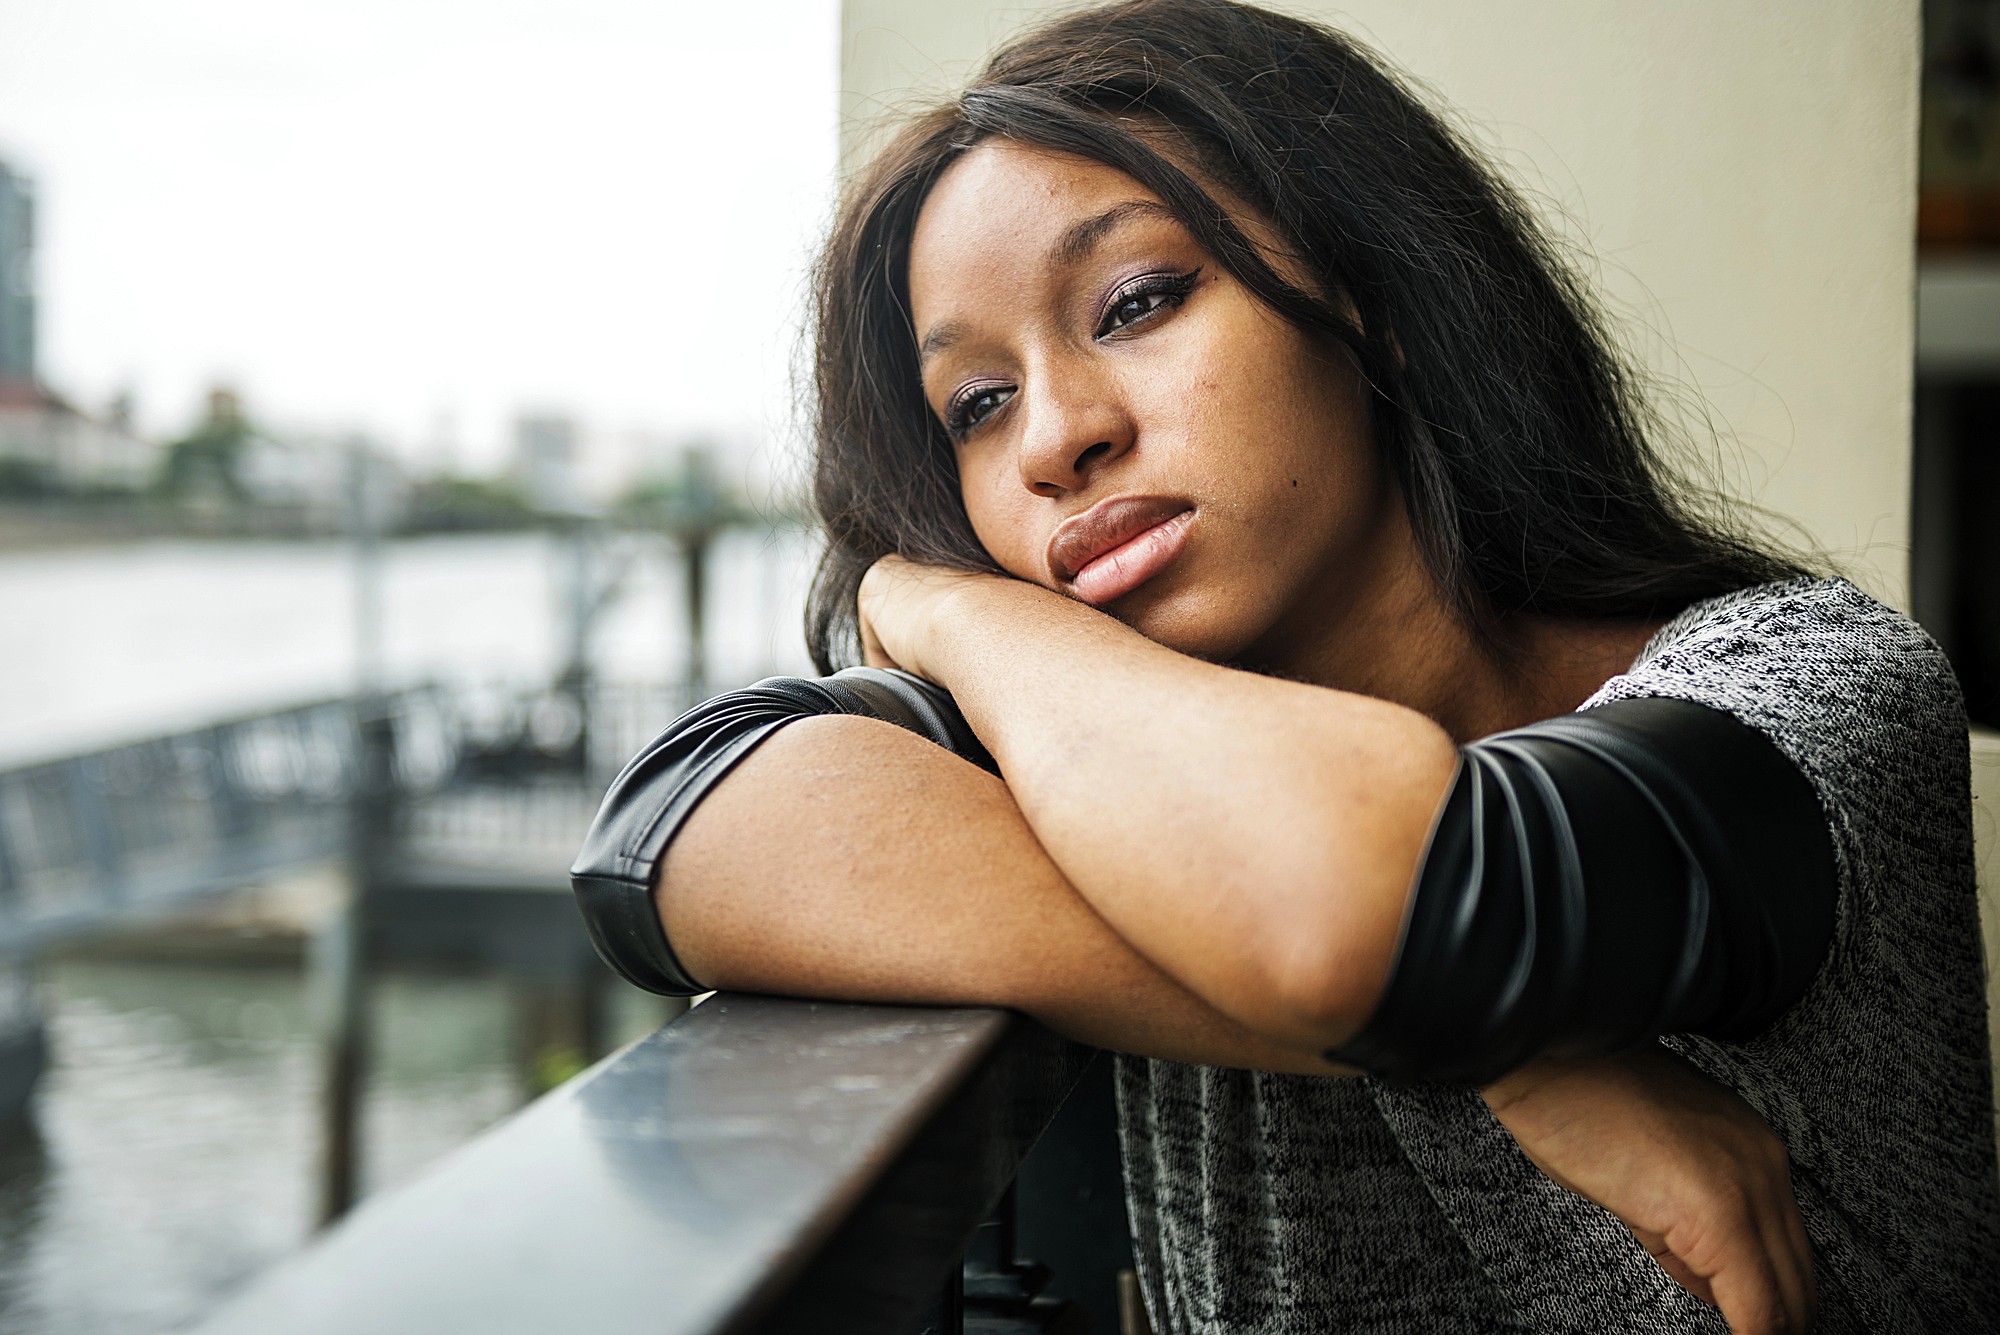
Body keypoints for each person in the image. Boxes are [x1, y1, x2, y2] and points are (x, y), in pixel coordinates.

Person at [571, 2, 2000, 1331]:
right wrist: (1514, 1054)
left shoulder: (1813, 688)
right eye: (978, 404)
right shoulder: (1111, 770)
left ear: (1363, 285)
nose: (1053, 439)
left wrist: (942, 609)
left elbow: (1364, 910)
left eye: (1135, 302)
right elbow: (669, 827)